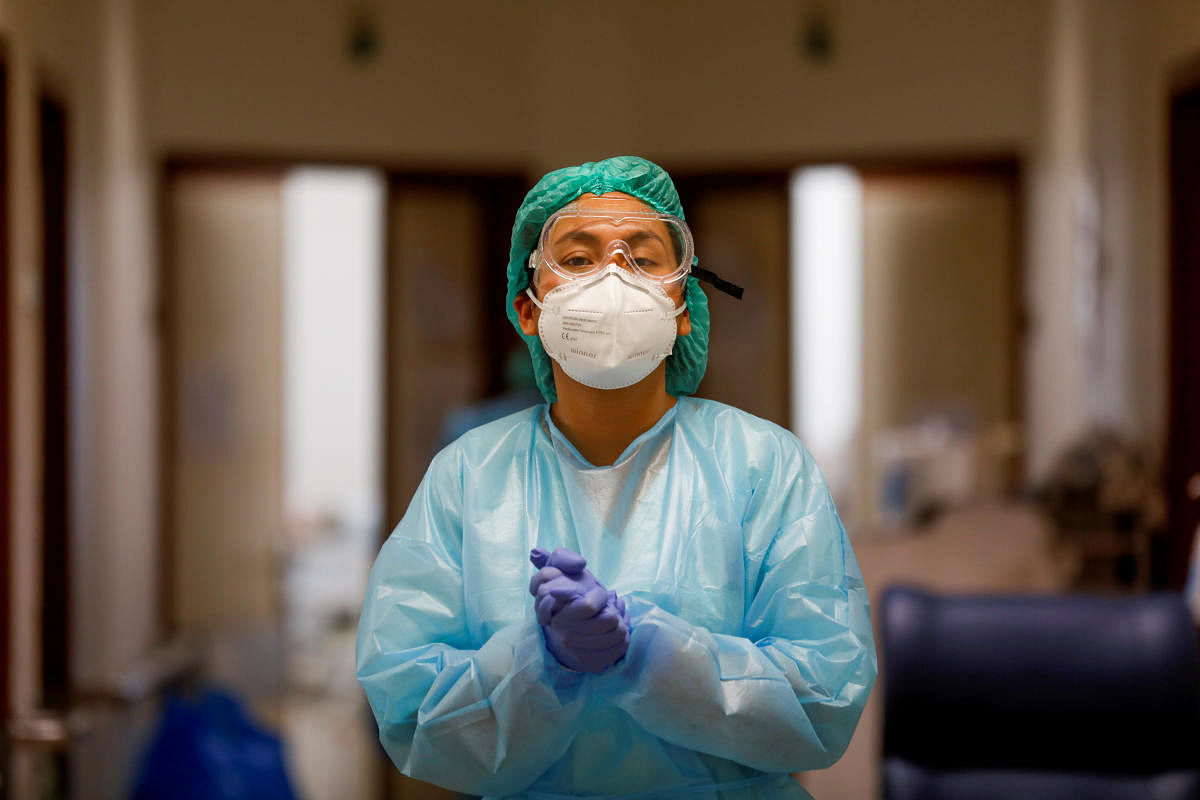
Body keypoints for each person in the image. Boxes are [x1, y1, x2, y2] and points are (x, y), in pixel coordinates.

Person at [356, 156, 876, 799]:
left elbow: (824, 698)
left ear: (683, 306)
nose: (612, 278)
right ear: (529, 310)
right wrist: (538, 660)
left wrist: (649, 651)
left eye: (644, 257)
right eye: (577, 259)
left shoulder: (763, 466)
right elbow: (411, 710)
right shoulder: (470, 475)